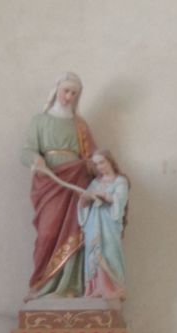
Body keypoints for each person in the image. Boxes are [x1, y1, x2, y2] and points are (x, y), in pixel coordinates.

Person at [22, 72, 96, 299]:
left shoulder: (80, 125)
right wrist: (37, 160)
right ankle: (40, 285)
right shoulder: (40, 121)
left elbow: (92, 155)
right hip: (50, 180)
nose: (69, 96)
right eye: (66, 90)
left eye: (74, 93)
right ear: (56, 90)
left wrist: (100, 169)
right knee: (48, 232)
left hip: (77, 180)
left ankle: (69, 286)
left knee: (76, 231)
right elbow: (27, 150)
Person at [77, 150, 129, 301]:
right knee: (94, 253)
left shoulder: (120, 181)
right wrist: (84, 200)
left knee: (109, 252)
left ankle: (113, 288)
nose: (99, 167)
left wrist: (105, 196)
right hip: (94, 223)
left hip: (109, 224)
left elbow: (120, 200)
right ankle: (96, 288)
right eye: (96, 164)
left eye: (102, 162)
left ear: (110, 161)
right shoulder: (95, 183)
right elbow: (83, 204)